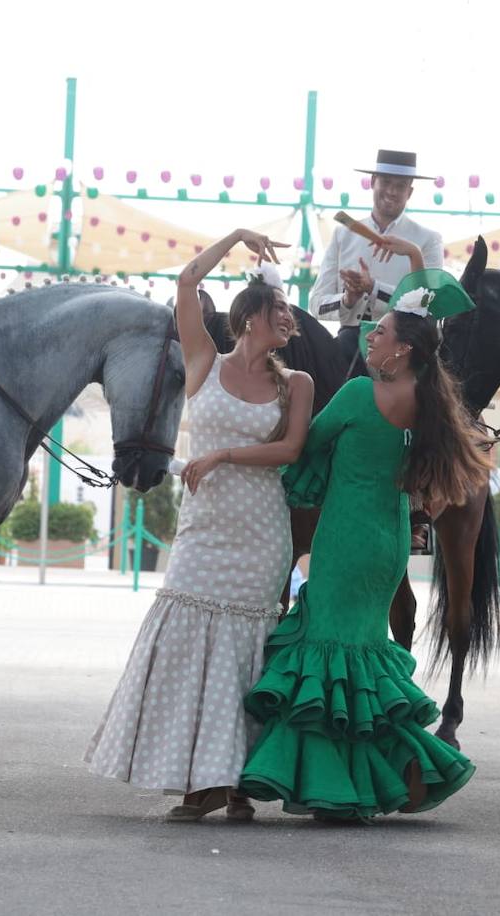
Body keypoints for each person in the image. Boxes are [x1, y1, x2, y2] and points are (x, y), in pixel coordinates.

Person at [238, 269, 488, 821]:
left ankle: (336, 786)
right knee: (363, 658)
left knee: (329, 655)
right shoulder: (431, 406)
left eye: (381, 333)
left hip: (346, 539)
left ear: (402, 349)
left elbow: (305, 447)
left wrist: (258, 449)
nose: (369, 336)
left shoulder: (357, 393)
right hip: (390, 541)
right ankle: (394, 769)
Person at [86, 229, 314, 823]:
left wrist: (221, 456)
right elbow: (187, 283)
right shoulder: (203, 362)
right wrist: (236, 238)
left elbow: (291, 450)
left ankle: (239, 782)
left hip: (262, 532)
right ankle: (197, 776)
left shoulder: (296, 385)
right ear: (248, 319)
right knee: (187, 641)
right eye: (280, 310)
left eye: (289, 310)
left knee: (249, 654)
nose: (289, 318)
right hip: (204, 532)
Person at [308, 149, 442, 372]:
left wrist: (374, 289)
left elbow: (430, 306)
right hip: (348, 346)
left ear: (410, 192)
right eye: (386, 182)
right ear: (372, 182)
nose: (391, 191)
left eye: (400, 186)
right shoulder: (343, 235)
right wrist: (348, 300)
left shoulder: (427, 240)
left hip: (402, 354)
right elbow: (317, 304)